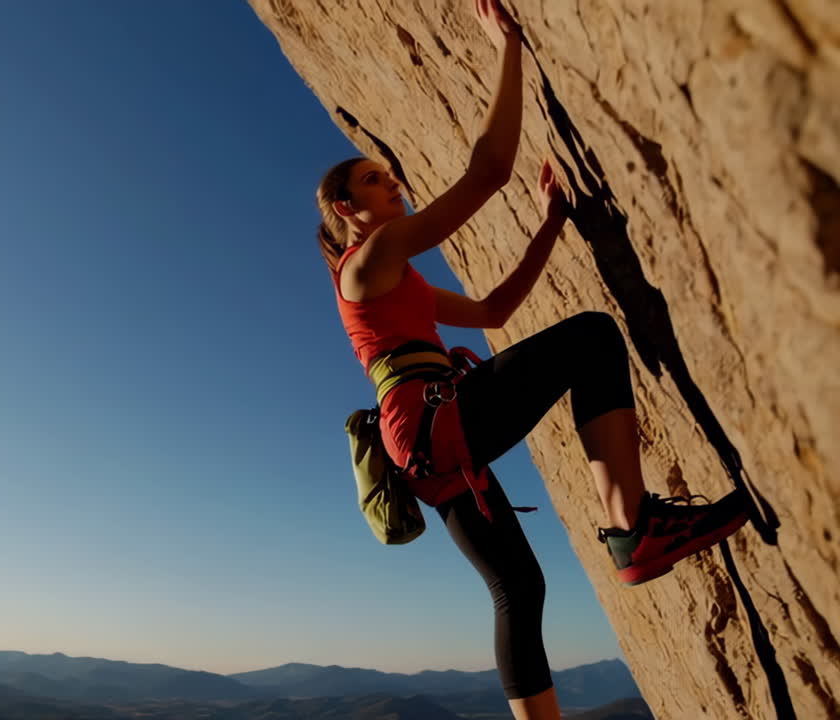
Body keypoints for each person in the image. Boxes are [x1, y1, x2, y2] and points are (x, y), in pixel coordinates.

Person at [315, 2, 750, 719]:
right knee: (593, 338)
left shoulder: (395, 282)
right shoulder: (372, 258)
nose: (391, 181)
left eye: (387, 173)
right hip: (432, 426)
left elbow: (493, 312)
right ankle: (634, 527)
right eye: (371, 180)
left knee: (518, 588)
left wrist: (550, 224)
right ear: (344, 209)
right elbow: (489, 172)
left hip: (423, 445)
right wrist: (508, 46)